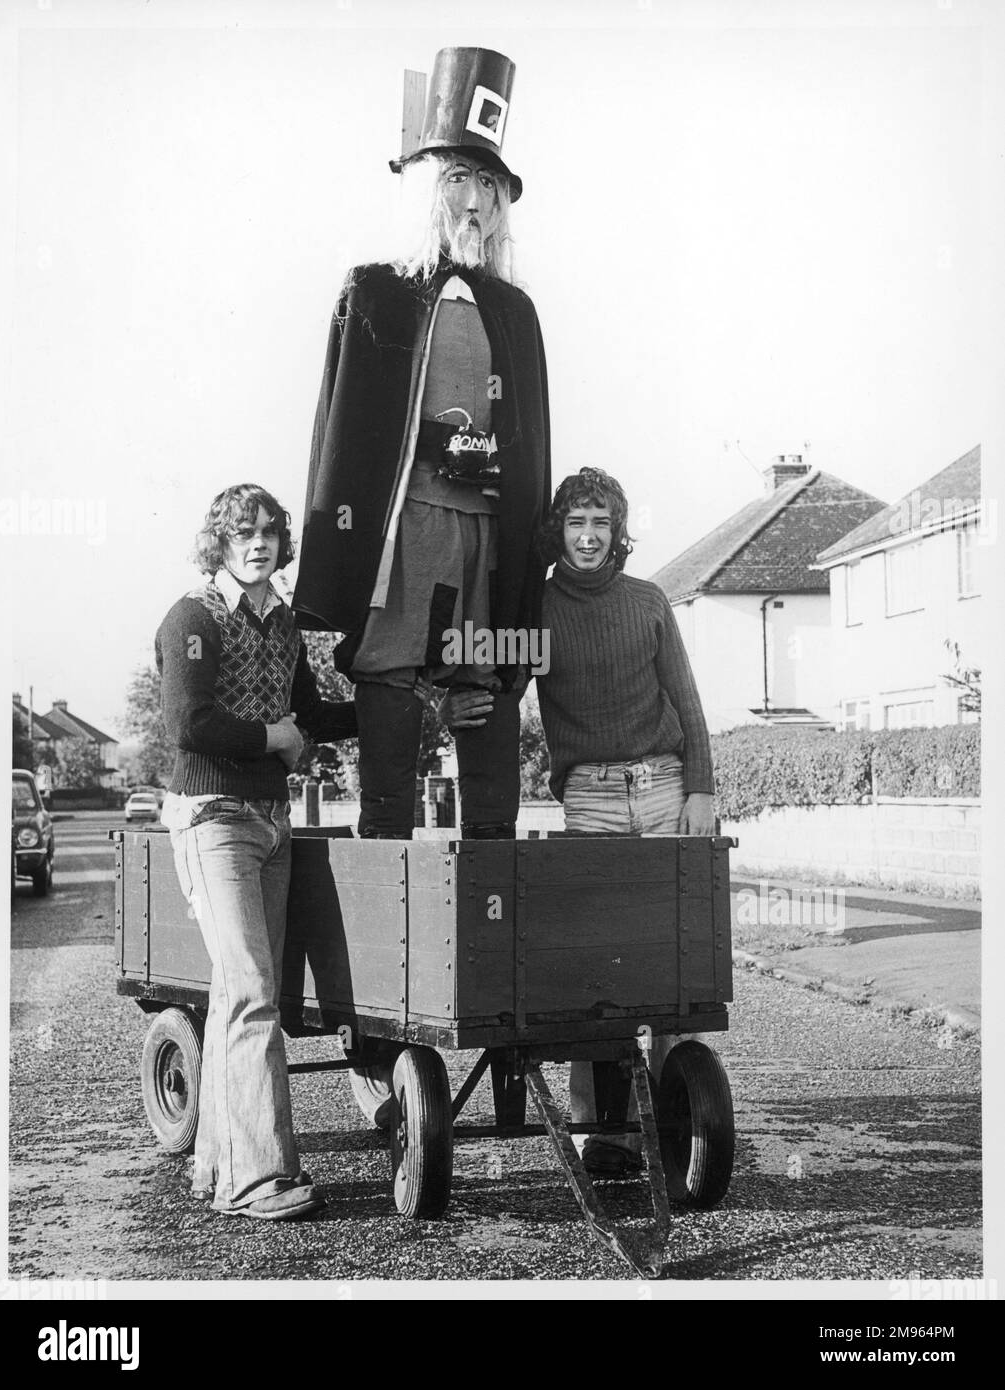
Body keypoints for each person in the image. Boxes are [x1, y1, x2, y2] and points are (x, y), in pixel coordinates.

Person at [291, 46, 550, 841]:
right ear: (423, 191)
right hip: (402, 535)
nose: (473, 201)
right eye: (456, 181)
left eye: (487, 186)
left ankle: (492, 890)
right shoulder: (373, 290)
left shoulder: (514, 309)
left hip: (487, 536)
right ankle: (382, 898)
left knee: (486, 681)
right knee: (390, 685)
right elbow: (337, 432)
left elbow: (533, 445)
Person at [445, 467, 715, 1175]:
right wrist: (442, 701)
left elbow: (686, 704)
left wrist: (700, 793)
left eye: (600, 523)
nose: (589, 536)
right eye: (576, 523)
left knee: (670, 961)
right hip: (589, 797)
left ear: (616, 531)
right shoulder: (534, 611)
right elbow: (477, 669)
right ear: (557, 532)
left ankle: (673, 1118)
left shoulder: (650, 602)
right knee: (599, 967)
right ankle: (603, 1131)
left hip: (663, 786)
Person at [156, 484, 358, 1219]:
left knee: (239, 995)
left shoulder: (282, 622)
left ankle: (216, 1165)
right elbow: (188, 723)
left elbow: (309, 714)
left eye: (270, 532)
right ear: (220, 540)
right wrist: (270, 739)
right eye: (243, 532)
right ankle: (256, 1179)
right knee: (251, 994)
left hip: (271, 820)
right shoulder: (192, 618)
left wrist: (394, 700)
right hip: (214, 817)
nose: (258, 543)